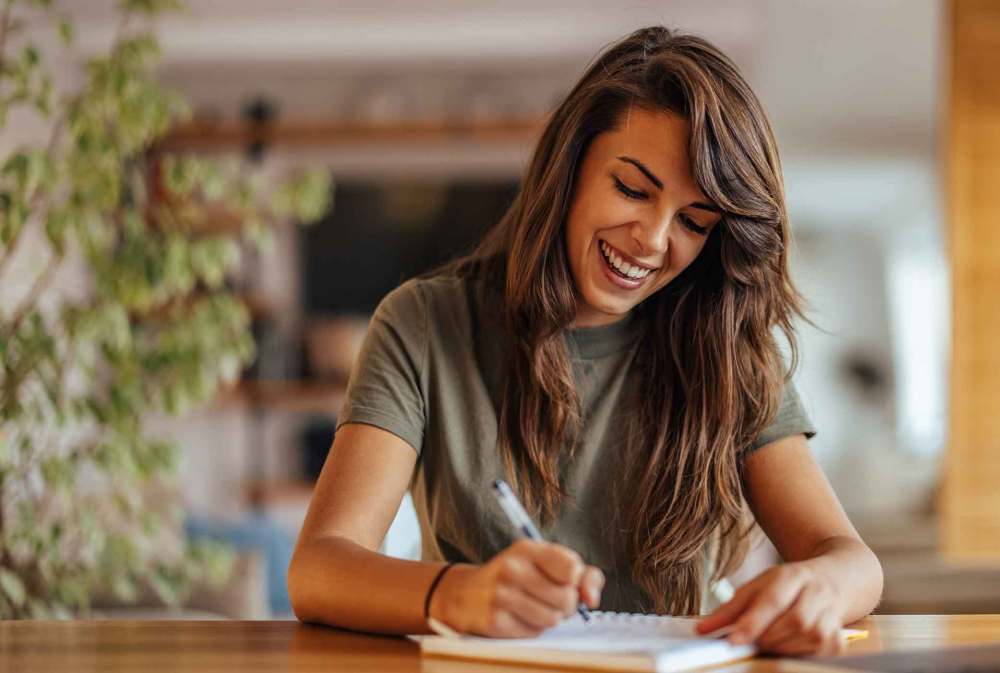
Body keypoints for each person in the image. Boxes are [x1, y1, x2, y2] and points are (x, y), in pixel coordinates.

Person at [287, 25, 883, 657]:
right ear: (569, 170)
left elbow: (852, 561)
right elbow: (319, 567)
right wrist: (460, 595)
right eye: (632, 189)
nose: (653, 240)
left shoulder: (730, 352)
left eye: (694, 221)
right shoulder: (424, 325)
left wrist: (817, 587)